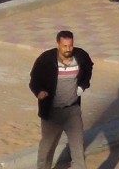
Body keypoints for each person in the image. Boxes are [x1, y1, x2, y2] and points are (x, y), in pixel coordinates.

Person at [29, 30, 93, 169]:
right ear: (58, 44)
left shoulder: (81, 56)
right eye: (64, 46)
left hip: (72, 111)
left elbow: (89, 67)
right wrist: (39, 92)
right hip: (52, 113)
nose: (68, 49)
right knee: (47, 149)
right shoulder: (45, 59)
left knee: (78, 149)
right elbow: (34, 79)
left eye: (70, 45)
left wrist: (83, 85)